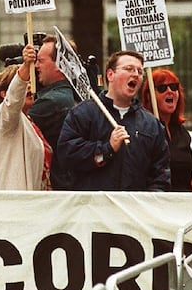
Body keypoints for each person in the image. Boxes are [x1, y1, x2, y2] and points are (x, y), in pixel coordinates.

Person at [58, 51, 170, 191]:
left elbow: (160, 174)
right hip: (93, 208)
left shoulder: (151, 125)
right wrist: (106, 149)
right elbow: (66, 156)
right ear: (110, 75)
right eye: (129, 69)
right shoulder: (83, 114)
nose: (136, 74)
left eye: (140, 72)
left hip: (133, 210)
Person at [0, 43, 51, 191]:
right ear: (4, 94)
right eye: (24, 83)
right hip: (12, 203)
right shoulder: (3, 117)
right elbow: (14, 99)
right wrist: (25, 67)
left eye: (30, 81)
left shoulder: (29, 121)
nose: (28, 85)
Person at [30, 34, 80, 190]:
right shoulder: (72, 95)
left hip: (57, 187)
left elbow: (7, 125)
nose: (35, 66)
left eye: (40, 61)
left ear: (59, 65)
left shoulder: (52, 102)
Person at [141, 68, 192, 192]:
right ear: (149, 96)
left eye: (174, 87)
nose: (169, 91)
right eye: (162, 88)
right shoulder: (145, 130)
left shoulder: (182, 132)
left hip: (185, 204)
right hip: (160, 204)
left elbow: (188, 178)